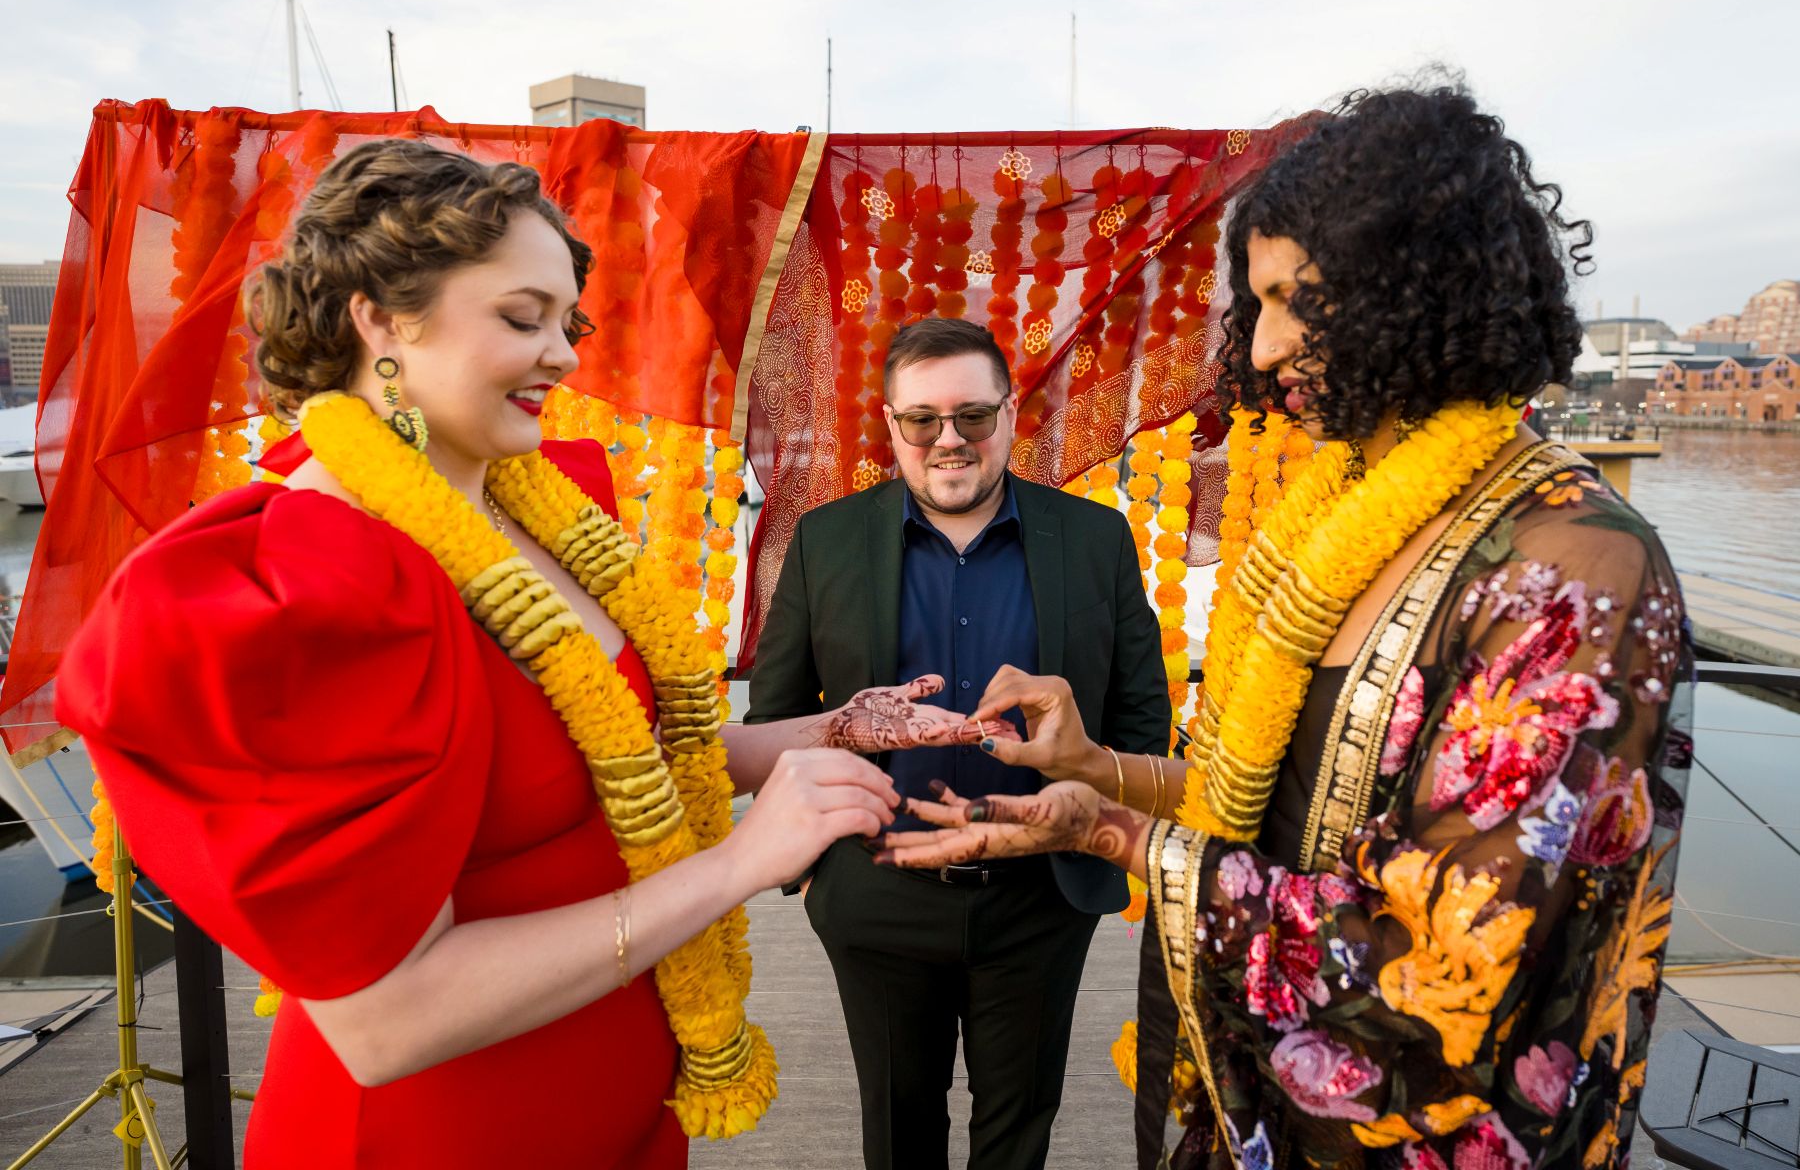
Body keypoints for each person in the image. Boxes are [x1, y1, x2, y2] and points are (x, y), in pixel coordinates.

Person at [55, 139, 993, 1169]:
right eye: (520, 317)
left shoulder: (527, 504)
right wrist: (737, 865)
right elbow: (384, 1022)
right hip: (443, 1133)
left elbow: (587, 753)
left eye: (566, 322)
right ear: (380, 320)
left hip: (623, 1101)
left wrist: (818, 733)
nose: (560, 354)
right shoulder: (311, 581)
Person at [875, 84, 1692, 1170]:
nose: (1260, 351)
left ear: (1416, 285)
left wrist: (1109, 836)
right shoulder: (1345, 521)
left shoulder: (1572, 568)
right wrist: (1100, 769)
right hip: (1252, 1107)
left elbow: (1440, 976)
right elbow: (1276, 816)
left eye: (1295, 301)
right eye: (1254, 306)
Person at [747, 316, 1171, 1169]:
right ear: (891, 423)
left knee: (1019, 1132)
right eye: (923, 419)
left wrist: (1096, 810)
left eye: (973, 416)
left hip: (1040, 898)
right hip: (876, 891)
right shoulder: (825, 539)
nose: (950, 439)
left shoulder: (1095, 539)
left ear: (1010, 418)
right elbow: (777, 717)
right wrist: (815, 866)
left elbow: (1141, 716)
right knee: (898, 1134)